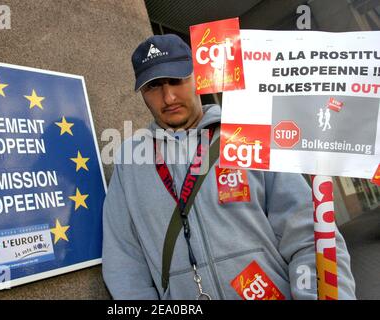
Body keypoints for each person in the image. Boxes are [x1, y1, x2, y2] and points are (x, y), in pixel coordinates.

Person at [102, 33, 356, 300]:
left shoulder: (247, 134)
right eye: (154, 86)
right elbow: (125, 265)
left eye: (177, 80)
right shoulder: (129, 163)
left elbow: (307, 236)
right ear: (142, 93)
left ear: (197, 78)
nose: (168, 97)